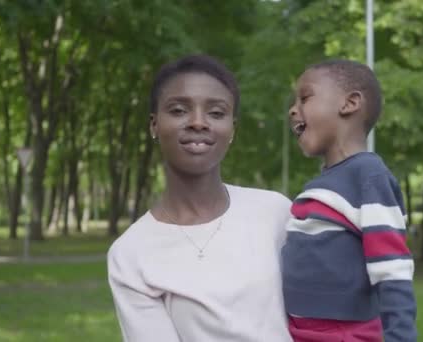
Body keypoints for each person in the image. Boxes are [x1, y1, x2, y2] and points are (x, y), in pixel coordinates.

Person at [107, 55, 292, 342]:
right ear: (154, 125)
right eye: (179, 110)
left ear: (232, 129)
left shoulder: (276, 212)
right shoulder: (131, 254)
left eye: (216, 113)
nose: (198, 122)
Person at [282, 59, 417, 342]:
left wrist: (400, 335)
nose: (293, 109)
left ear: (350, 103)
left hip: (346, 334)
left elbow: (392, 268)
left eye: (305, 98)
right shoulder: (319, 186)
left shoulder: (368, 176)